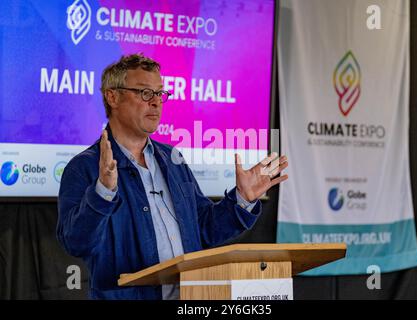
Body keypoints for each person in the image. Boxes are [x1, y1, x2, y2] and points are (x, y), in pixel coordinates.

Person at [56, 53, 288, 300]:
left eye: (160, 94)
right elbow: (76, 242)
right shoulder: (83, 168)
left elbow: (205, 229)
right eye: (145, 93)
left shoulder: (172, 160)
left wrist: (242, 199)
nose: (156, 102)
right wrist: (102, 192)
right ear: (112, 96)